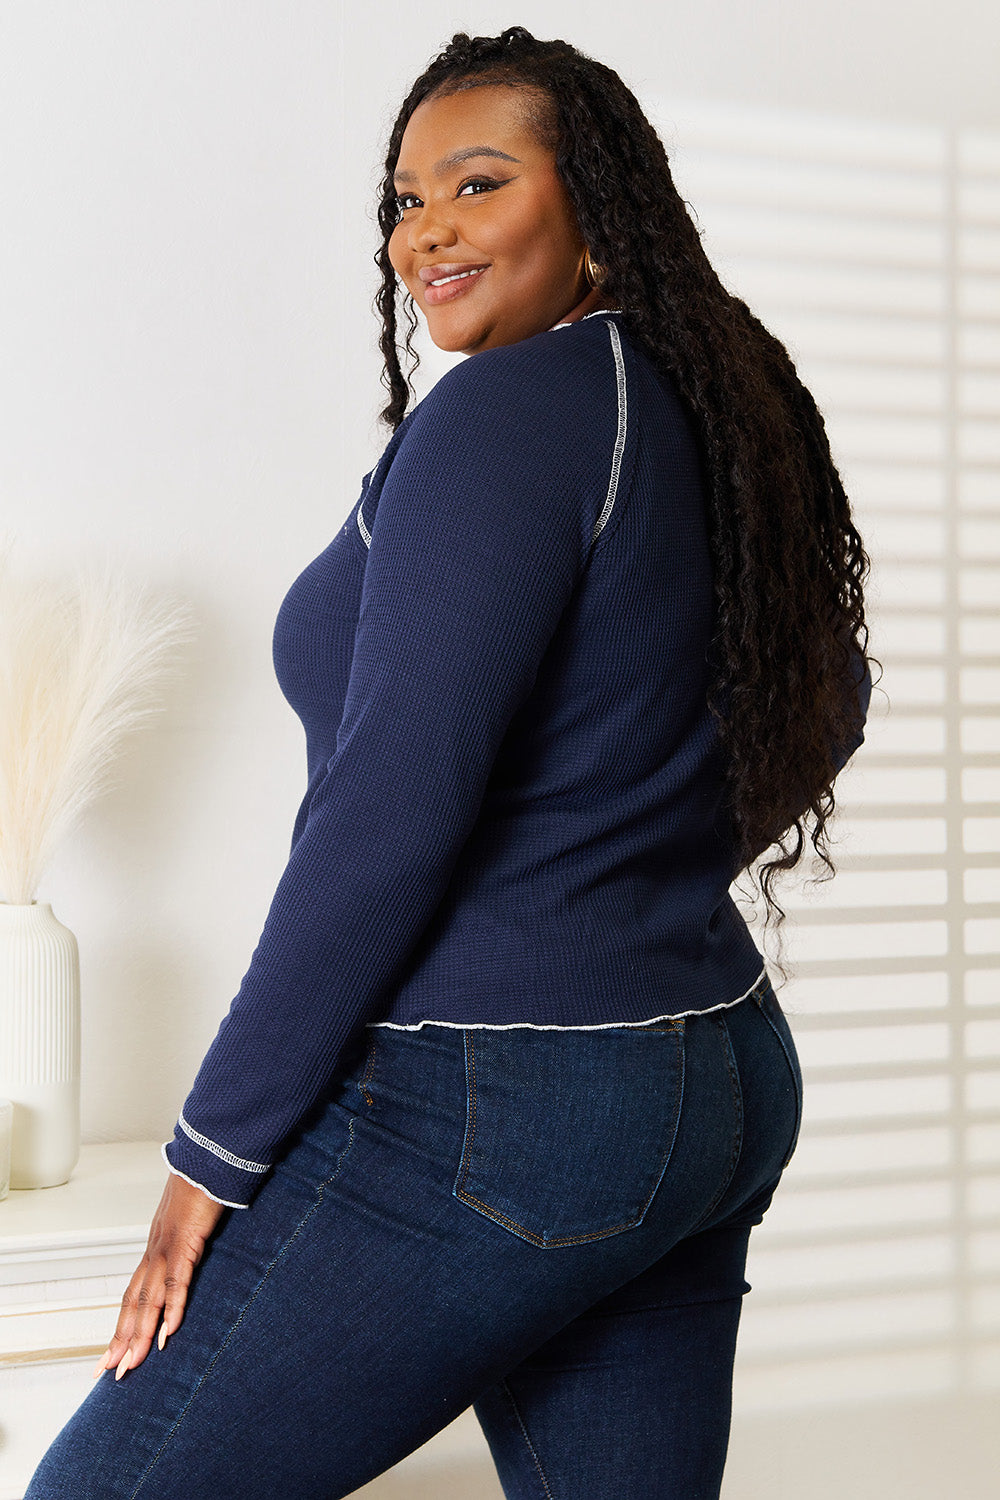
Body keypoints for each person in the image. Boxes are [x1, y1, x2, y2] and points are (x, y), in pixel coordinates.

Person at [25, 25, 875, 1500]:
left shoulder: (509, 412)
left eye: (477, 184)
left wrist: (207, 1157)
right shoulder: (717, 403)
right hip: (716, 1071)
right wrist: (625, 872)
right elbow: (832, 694)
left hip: (506, 1111)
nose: (429, 232)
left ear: (596, 200)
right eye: (407, 201)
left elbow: (391, 813)